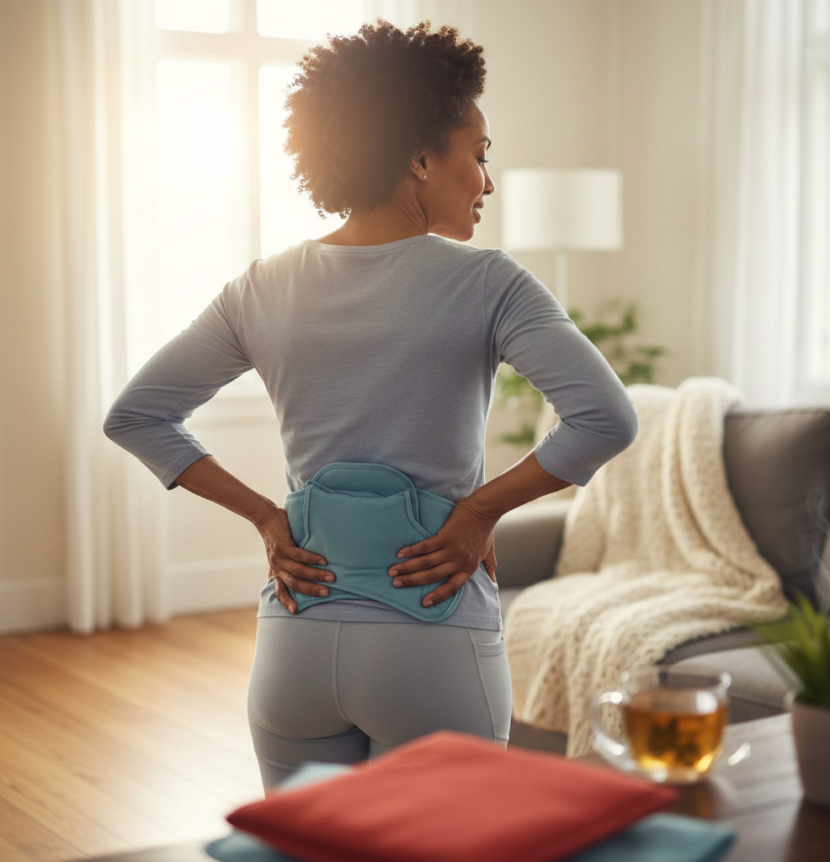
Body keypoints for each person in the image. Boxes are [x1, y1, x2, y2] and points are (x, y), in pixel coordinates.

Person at [104, 20, 638, 789]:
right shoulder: (488, 282)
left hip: (295, 643)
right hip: (432, 639)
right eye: (479, 155)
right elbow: (605, 418)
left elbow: (136, 414)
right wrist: (480, 511)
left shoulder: (264, 285)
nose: (486, 181)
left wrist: (266, 515)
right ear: (421, 159)